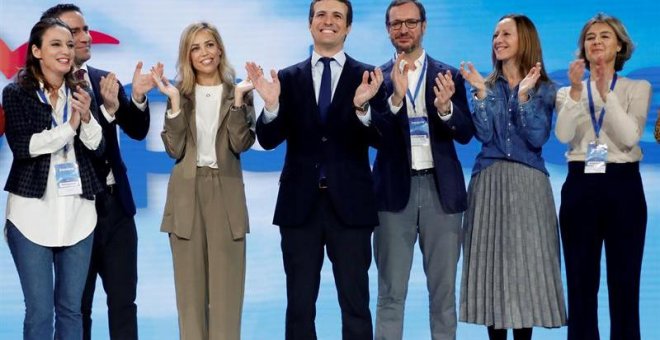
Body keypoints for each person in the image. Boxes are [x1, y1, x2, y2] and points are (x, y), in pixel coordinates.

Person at [245, 0, 386, 338]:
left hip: (351, 209)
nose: (329, 21)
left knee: (355, 304)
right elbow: (267, 139)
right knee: (299, 307)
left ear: (348, 27)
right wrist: (272, 105)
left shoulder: (368, 76)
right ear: (310, 25)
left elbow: (382, 138)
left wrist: (363, 107)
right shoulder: (288, 78)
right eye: (321, 14)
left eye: (338, 16)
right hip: (299, 208)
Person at [39, 4, 156, 339]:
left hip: (116, 210)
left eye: (85, 29)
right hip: (73, 211)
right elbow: (72, 145)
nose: (85, 37)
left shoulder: (104, 79)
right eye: (75, 33)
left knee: (124, 304)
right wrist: (104, 112)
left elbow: (136, 129)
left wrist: (135, 101)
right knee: (77, 309)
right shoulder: (44, 91)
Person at [458, 14, 566, 340]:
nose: (498, 40)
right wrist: (480, 92)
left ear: (525, 40)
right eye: (494, 35)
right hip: (488, 182)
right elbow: (484, 132)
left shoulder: (547, 89)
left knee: (526, 272)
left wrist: (524, 97)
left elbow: (536, 137)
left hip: (530, 185)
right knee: (492, 271)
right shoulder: (483, 84)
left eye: (506, 34)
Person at [370, 1, 473, 339]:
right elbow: (374, 135)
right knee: (389, 294)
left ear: (424, 26)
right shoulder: (376, 78)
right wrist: (396, 100)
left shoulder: (448, 75)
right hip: (392, 196)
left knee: (443, 296)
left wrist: (445, 110)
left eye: (410, 22)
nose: (403, 29)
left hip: (440, 194)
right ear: (388, 29)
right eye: (396, 23)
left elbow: (466, 132)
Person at [152, 21, 256, 340]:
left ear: (220, 48)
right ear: (187, 55)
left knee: (227, 299)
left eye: (209, 44)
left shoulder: (238, 93)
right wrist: (172, 102)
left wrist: (239, 98)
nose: (204, 53)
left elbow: (240, 144)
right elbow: (175, 149)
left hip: (226, 195)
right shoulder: (180, 95)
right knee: (190, 302)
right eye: (195, 47)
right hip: (186, 196)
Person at [2, 17, 105, 339]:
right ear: (36, 51)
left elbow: (97, 147)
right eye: (56, 44)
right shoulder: (17, 93)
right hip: (31, 216)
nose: (66, 51)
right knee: (40, 312)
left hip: (78, 216)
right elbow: (24, 146)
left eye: (70, 45)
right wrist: (69, 127)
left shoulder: (81, 92)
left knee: (71, 310)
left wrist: (86, 118)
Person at [555, 13, 651, 340]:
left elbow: (629, 136)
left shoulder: (637, 87)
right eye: (590, 37)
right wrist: (580, 93)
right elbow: (564, 135)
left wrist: (605, 94)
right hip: (580, 185)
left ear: (620, 45)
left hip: (623, 185)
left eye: (605, 36)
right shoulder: (568, 92)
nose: (596, 41)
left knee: (625, 285)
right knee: (581, 286)